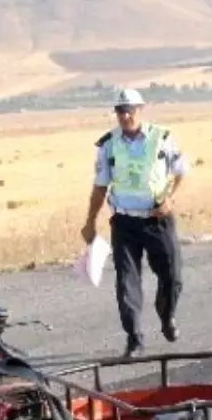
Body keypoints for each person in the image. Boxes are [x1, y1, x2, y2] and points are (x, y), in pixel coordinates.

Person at [81, 87, 190, 357]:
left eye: (130, 109)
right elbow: (100, 186)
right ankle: (134, 339)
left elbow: (181, 171)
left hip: (157, 220)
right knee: (127, 281)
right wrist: (90, 222)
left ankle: (166, 316)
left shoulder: (162, 138)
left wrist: (170, 200)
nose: (125, 115)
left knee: (172, 277)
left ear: (141, 109)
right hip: (124, 222)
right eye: (120, 110)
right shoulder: (108, 145)